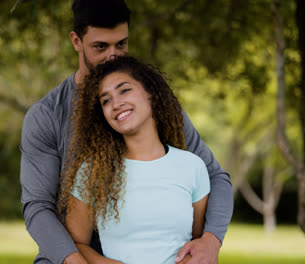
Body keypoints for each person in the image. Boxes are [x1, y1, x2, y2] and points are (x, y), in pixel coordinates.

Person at [19, 0, 233, 263]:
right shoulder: (46, 116)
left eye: (121, 44)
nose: (113, 55)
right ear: (77, 41)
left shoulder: (153, 108)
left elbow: (215, 177)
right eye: (100, 46)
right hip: (70, 254)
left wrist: (211, 240)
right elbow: (38, 207)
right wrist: (78, 261)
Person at [58, 55, 210, 264]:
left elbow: (199, 244)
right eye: (106, 100)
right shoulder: (92, 170)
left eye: (124, 90)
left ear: (150, 93)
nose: (116, 104)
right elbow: (75, 243)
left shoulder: (192, 167)